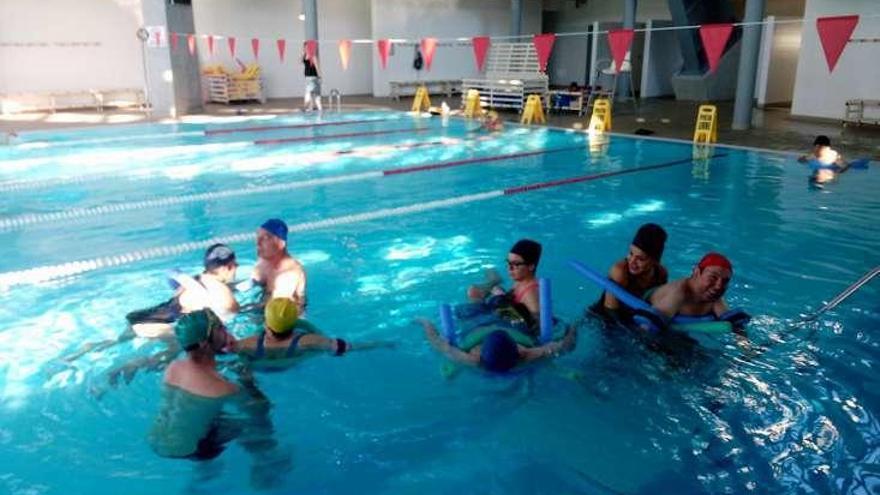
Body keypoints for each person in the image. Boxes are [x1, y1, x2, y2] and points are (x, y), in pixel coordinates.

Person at [147, 310, 289, 486]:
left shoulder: (174, 367)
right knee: (254, 425)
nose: (226, 329)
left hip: (157, 439)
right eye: (220, 328)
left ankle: (203, 475)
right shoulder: (223, 388)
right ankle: (265, 466)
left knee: (209, 415)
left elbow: (201, 371)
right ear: (204, 344)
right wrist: (248, 381)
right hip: (190, 449)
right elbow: (261, 408)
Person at [63, 244, 240, 363]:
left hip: (142, 317)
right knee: (170, 355)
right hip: (158, 327)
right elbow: (222, 327)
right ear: (227, 267)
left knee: (114, 341)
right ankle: (129, 366)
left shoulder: (195, 279)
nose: (237, 267)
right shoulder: (224, 295)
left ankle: (83, 351)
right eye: (235, 265)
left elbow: (171, 274)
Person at [234, 298, 391, 363]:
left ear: (266, 325)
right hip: (295, 362)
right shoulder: (308, 340)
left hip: (262, 367)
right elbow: (342, 347)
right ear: (294, 322)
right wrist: (379, 344)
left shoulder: (248, 343)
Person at [419, 319, 576, 373]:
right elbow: (565, 346)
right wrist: (572, 328)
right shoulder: (528, 354)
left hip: (482, 328)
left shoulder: (472, 359)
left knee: (472, 306)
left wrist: (425, 322)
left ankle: (494, 287)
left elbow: (437, 342)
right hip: (508, 329)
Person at [590, 223, 668, 322]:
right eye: (631, 253)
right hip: (602, 316)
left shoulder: (660, 274)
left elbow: (660, 307)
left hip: (634, 316)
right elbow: (610, 311)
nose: (632, 261)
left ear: (655, 261)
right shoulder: (620, 272)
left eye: (640, 259)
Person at [467, 239, 542, 334]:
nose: (509, 268)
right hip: (506, 308)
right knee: (473, 290)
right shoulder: (520, 280)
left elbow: (535, 327)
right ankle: (494, 281)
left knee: (475, 297)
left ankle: (494, 281)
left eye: (516, 264)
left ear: (531, 266)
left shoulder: (531, 294)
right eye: (508, 262)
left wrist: (500, 299)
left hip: (511, 323)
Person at [240, 219, 307, 313]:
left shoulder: (288, 273)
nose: (258, 242)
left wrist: (239, 310)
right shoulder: (264, 258)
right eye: (258, 236)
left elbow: (277, 310)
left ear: (281, 244)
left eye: (266, 238)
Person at [647, 252, 733, 322]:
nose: (718, 286)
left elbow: (733, 323)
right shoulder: (677, 294)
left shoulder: (713, 297)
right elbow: (650, 324)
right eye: (713, 277)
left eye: (725, 281)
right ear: (697, 272)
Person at [302, 43, 322, 112]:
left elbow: (317, 67)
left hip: (313, 77)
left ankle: (305, 107)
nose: (305, 49)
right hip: (307, 78)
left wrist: (320, 77)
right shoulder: (305, 56)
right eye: (305, 47)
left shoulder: (313, 56)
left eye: (307, 47)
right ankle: (312, 108)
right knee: (314, 96)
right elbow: (300, 61)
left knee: (309, 93)